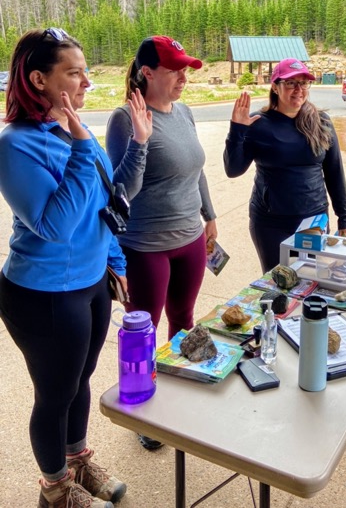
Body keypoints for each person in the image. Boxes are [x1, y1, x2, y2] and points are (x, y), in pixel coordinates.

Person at [0, 28, 127, 507]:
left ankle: (77, 463)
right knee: (54, 393)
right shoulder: (15, 145)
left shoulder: (72, 127)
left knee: (80, 379)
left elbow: (105, 198)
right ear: (38, 80)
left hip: (92, 283)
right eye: (74, 73)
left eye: (85, 71)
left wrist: (115, 262)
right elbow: (53, 225)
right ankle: (54, 490)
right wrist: (79, 148)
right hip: (44, 294)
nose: (86, 83)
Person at [106, 36, 217, 449]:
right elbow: (123, 191)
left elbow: (197, 169)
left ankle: (178, 391)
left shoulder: (184, 112)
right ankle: (144, 413)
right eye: (175, 70)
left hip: (190, 237)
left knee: (184, 320)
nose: (184, 77)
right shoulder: (124, 118)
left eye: (186, 68)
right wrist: (139, 139)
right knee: (143, 332)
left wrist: (210, 216)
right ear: (147, 72)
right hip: (146, 246)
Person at [224, 58, 346, 273]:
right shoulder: (258, 123)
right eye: (290, 83)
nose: (298, 90)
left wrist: (344, 216)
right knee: (277, 284)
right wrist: (237, 130)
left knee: (312, 279)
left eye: (303, 83)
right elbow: (233, 170)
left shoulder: (321, 121)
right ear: (275, 86)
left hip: (313, 219)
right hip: (271, 223)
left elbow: (334, 171)